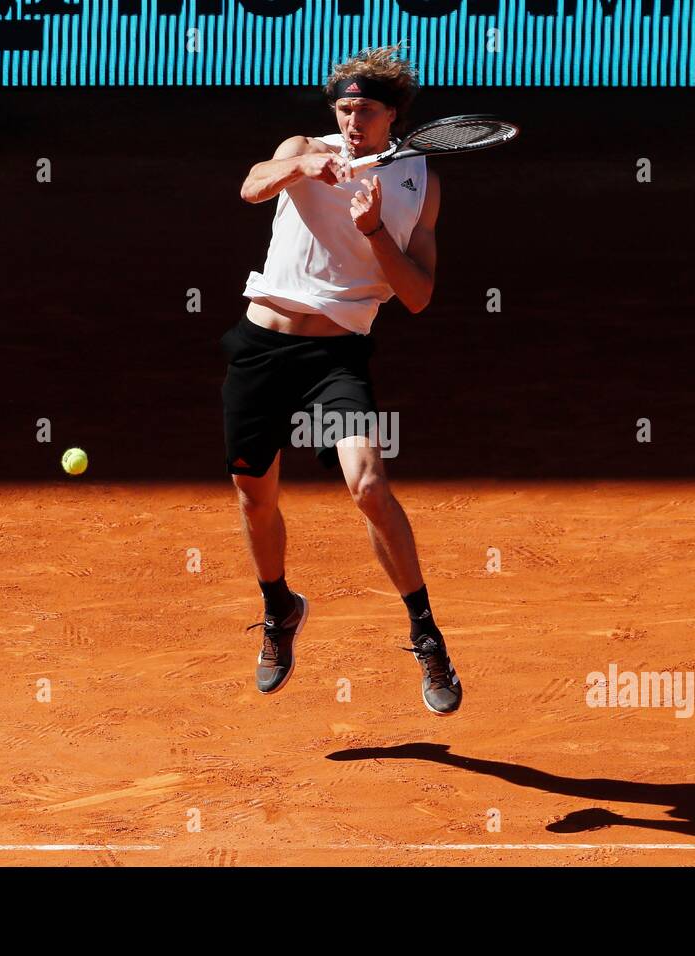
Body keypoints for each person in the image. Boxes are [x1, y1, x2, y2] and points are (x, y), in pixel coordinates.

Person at [221, 43, 461, 715]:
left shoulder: (420, 183)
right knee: (252, 494)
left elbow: (415, 294)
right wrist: (302, 162)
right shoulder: (303, 146)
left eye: (366, 110)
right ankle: (280, 609)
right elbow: (251, 186)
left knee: (370, 487)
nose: (352, 121)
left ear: (394, 116)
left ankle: (425, 633)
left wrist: (376, 229)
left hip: (336, 359)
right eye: (344, 108)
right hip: (261, 347)